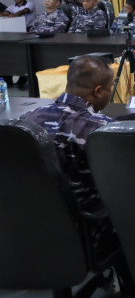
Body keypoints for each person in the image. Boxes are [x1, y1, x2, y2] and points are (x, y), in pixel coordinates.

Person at [20, 56, 117, 255]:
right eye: (111, 87)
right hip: (89, 231)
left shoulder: (28, 118)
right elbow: (119, 183)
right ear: (98, 91)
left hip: (31, 223)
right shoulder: (101, 130)